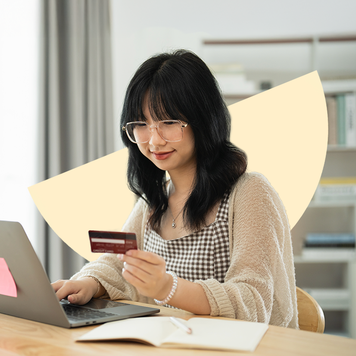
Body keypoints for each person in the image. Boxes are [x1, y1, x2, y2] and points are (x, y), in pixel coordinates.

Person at [52, 49, 298, 328]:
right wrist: (89, 283)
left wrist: (168, 287)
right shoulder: (155, 202)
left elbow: (253, 301)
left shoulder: (250, 192)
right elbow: (115, 264)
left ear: (204, 121)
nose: (154, 141)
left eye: (168, 122)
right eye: (141, 125)